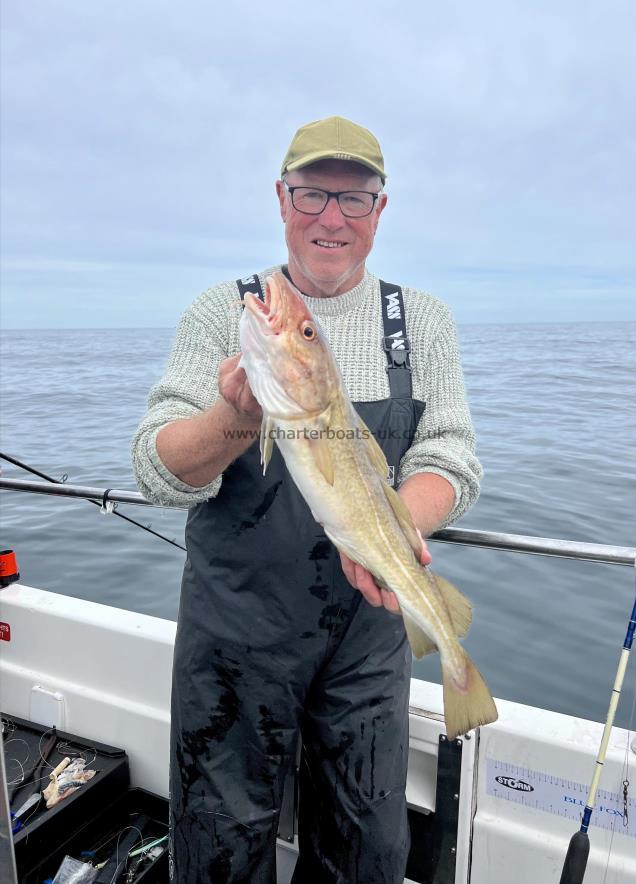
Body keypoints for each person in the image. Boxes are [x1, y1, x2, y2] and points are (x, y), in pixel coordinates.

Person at [132, 116, 482, 884]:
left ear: (380, 211)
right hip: (232, 638)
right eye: (312, 194)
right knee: (218, 840)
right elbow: (156, 470)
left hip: (367, 634)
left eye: (353, 199)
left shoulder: (419, 322)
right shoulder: (223, 310)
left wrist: (392, 532)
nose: (331, 217)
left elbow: (449, 454)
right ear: (281, 199)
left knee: (364, 852)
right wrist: (236, 417)